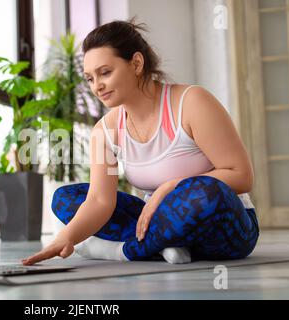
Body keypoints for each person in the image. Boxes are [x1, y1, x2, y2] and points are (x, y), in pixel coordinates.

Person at [21, 19, 259, 266]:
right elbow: (100, 202)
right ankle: (164, 245)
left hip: (221, 227)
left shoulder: (192, 102)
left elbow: (241, 176)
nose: (97, 86)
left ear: (136, 63)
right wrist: (66, 237)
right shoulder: (105, 130)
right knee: (66, 197)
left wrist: (168, 189)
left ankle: (128, 251)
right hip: (157, 221)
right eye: (90, 78)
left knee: (206, 191)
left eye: (105, 72)